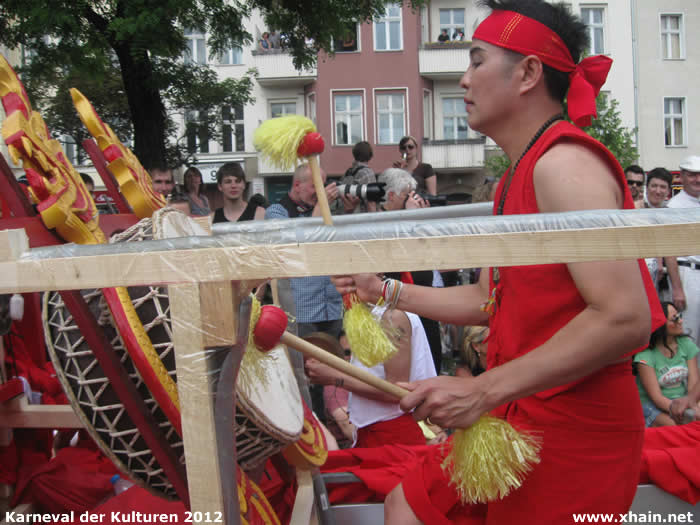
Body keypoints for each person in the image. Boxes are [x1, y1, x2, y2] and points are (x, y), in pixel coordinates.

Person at [333, 1, 664, 523]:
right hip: (522, 408)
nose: (463, 80)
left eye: (477, 61)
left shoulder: (565, 165)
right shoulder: (520, 173)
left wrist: (481, 389)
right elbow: (490, 299)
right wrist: (384, 291)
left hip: (573, 429)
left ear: (529, 72)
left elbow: (625, 317)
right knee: (406, 504)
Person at [306, 300, 437, 448]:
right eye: (336, 278)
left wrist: (336, 378)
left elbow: (397, 392)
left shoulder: (393, 316)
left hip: (394, 440)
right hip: (369, 435)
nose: (340, 283)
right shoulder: (366, 312)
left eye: (349, 278)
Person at [635, 301, 699, 427]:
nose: (680, 321)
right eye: (674, 319)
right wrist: (682, 411)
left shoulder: (685, 344)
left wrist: (692, 406)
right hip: (653, 406)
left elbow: (693, 385)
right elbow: (656, 398)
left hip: (683, 401)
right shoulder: (645, 356)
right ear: (660, 325)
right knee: (678, 428)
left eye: (679, 316)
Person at [666, 155, 700, 342]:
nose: (698, 179)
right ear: (682, 176)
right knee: (689, 334)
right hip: (687, 273)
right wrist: (678, 288)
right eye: (693, 175)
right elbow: (669, 250)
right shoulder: (674, 207)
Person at [641, 168, 685, 306]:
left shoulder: (667, 215)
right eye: (654, 186)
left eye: (662, 187)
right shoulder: (633, 210)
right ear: (647, 187)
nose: (658, 191)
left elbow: (670, 253)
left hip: (656, 278)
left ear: (668, 191)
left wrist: (678, 289)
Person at [321, 331, 356, 448]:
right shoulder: (333, 385)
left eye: (357, 352)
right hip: (350, 447)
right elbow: (347, 428)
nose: (352, 357)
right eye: (347, 353)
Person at [341, 141, 377, 213]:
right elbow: (371, 202)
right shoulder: (367, 173)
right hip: (361, 218)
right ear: (370, 155)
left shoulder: (349, 172)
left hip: (348, 215)